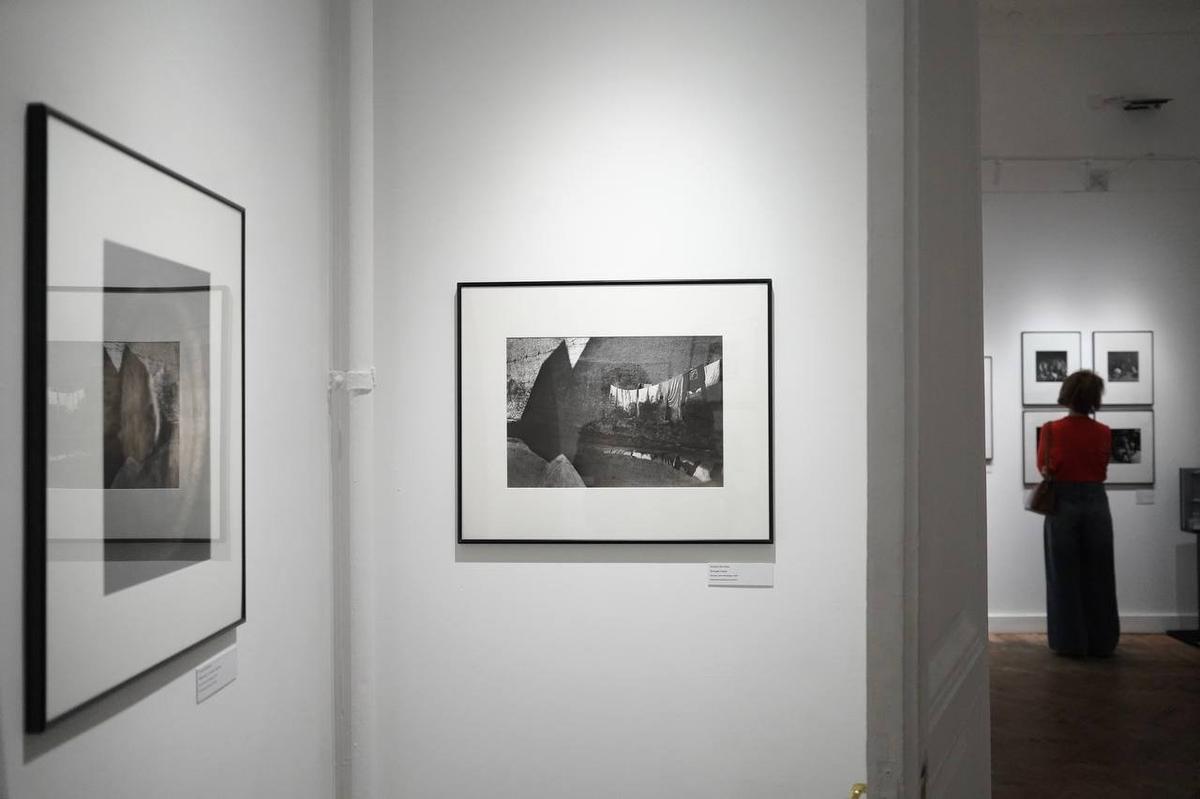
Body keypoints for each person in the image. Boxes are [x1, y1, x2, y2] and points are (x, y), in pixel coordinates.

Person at [1037, 369, 1119, 657]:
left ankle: (1069, 641)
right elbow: (1102, 468)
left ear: (1067, 394)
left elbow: (1044, 467)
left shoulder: (1051, 430)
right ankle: (1102, 640)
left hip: (1062, 502)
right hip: (1096, 502)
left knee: (1063, 574)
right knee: (1100, 574)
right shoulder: (1104, 432)